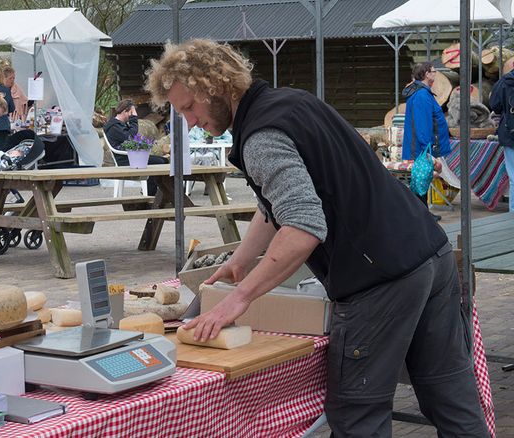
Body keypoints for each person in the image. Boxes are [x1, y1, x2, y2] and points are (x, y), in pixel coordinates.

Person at [148, 40, 488, 437]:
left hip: (379, 279)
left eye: (189, 107)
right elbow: (277, 204)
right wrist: (242, 259)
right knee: (450, 396)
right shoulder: (293, 102)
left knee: (358, 413)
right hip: (431, 252)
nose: (189, 121)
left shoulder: (261, 136)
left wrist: (239, 300)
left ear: (216, 87)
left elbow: (303, 226)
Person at [402, 62, 451, 211]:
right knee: (420, 182)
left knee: (423, 180)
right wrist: (427, 151)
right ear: (426, 74)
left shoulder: (423, 92)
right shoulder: (421, 95)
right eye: (434, 72)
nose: (435, 74)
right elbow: (422, 125)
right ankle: (421, 216)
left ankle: (424, 215)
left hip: (424, 147)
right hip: (422, 148)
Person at [104, 99, 168, 195]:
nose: (134, 115)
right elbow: (130, 136)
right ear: (125, 111)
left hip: (133, 157)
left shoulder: (119, 125)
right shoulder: (113, 127)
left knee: (162, 160)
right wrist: (134, 119)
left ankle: (157, 191)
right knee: (160, 162)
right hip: (126, 159)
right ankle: (151, 193)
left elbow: (130, 137)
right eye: (132, 113)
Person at [489, 68, 514, 212]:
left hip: (510, 134)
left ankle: (513, 213)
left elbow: (495, 104)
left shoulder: (504, 81)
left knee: (513, 176)